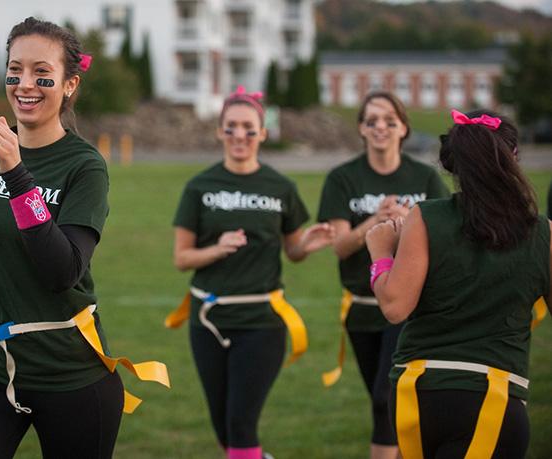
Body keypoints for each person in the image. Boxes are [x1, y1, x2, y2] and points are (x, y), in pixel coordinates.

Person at [0, 17, 167, 459]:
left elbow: (63, 271)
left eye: (42, 73)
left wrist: (17, 175)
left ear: (69, 84)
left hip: (71, 372)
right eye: (15, 70)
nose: (25, 84)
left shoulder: (85, 166)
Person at [366, 109, 550, 458]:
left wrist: (380, 254)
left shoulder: (426, 216)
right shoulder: (543, 232)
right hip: (493, 396)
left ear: (452, 165)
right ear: (513, 159)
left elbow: (394, 306)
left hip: (417, 393)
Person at [165, 86, 335, 459]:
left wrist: (309, 243)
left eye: (247, 127)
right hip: (207, 321)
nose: (239, 135)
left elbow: (293, 252)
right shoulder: (200, 187)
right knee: (224, 427)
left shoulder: (281, 188)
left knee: (242, 425)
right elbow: (182, 258)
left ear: (262, 132)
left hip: (261, 320)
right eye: (230, 127)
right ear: (219, 132)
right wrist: (217, 249)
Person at [317, 91, 449, 459]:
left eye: (390, 120)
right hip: (360, 308)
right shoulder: (342, 178)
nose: (380, 127)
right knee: (386, 403)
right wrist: (374, 222)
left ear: (404, 127)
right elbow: (340, 246)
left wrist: (411, 225)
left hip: (408, 306)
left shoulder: (424, 176)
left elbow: (444, 242)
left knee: (385, 397)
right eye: (371, 120)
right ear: (360, 127)